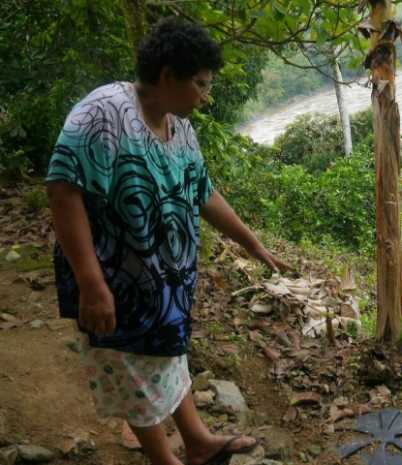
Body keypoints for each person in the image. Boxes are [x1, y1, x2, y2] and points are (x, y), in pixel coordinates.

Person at [45, 17, 287, 465]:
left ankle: (195, 441)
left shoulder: (179, 127)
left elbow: (203, 192)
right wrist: (91, 283)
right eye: (199, 83)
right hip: (116, 282)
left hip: (165, 285)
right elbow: (63, 189)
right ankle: (164, 459)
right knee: (131, 371)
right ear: (167, 75)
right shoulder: (104, 113)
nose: (205, 95)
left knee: (167, 360)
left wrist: (252, 244)